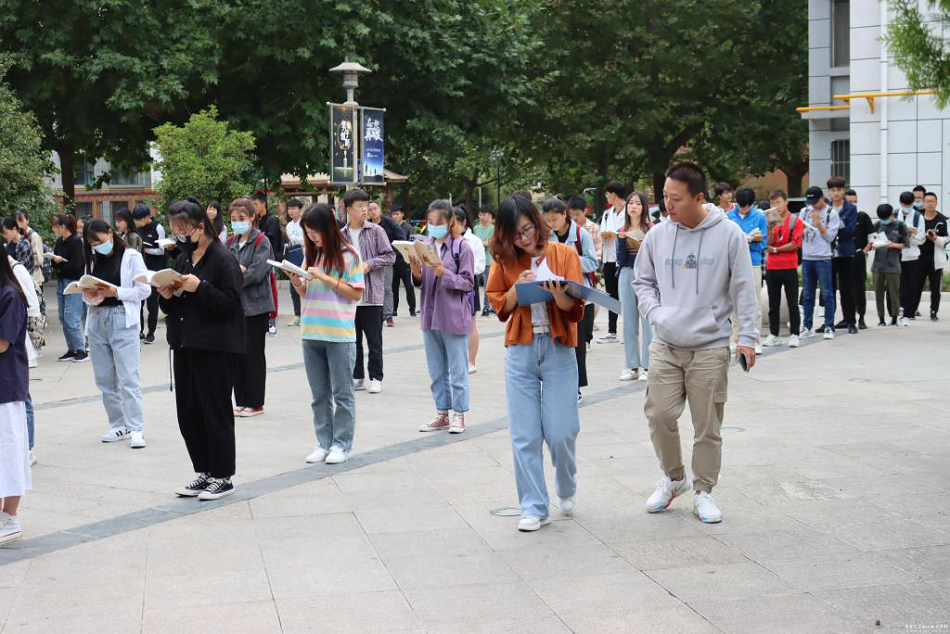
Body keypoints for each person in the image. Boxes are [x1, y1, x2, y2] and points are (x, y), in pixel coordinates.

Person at [633, 161, 757, 525]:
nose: (668, 205)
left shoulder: (729, 234)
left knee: (707, 426)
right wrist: (657, 315)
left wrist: (748, 337)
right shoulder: (658, 235)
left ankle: (703, 490)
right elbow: (642, 282)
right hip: (666, 343)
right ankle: (675, 478)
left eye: (676, 198)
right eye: (665, 197)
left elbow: (743, 288)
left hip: (710, 346)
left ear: (699, 197)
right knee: (659, 415)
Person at [486, 195, 585, 532]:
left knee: (561, 430)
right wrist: (518, 287)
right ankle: (533, 505)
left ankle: (566, 483)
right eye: (516, 234)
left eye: (528, 229)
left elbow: (575, 309)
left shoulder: (564, 253)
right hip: (521, 349)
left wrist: (557, 292)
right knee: (524, 434)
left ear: (537, 222)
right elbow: (500, 306)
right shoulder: (504, 259)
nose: (524, 239)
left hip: (558, 348)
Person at [158, 199, 244, 501]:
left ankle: (223, 475)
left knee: (214, 412)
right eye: (175, 231)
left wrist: (201, 288)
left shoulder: (222, 259)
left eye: (184, 231)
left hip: (214, 348)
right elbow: (172, 306)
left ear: (200, 227)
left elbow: (232, 304)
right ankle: (204, 470)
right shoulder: (184, 259)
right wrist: (167, 295)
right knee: (189, 413)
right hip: (184, 345)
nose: (179, 237)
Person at [291, 204, 364, 465]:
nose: (312, 237)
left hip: (339, 334)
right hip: (311, 332)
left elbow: (356, 293)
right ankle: (323, 443)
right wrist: (295, 280)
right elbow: (305, 292)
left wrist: (326, 278)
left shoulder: (349, 255)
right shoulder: (311, 254)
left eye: (315, 232)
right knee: (319, 395)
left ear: (328, 228)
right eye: (308, 233)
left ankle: (342, 445)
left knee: (342, 394)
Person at [81, 219, 151, 449]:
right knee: (104, 378)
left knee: (128, 376)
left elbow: (144, 290)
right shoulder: (92, 259)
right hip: (97, 319)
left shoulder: (131, 257)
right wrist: (90, 295)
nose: (96, 246)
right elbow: (86, 292)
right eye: (92, 243)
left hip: (122, 318)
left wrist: (116, 292)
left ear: (110, 232)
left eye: (98, 241)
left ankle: (136, 427)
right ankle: (119, 424)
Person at [413, 201, 475, 434]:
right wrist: (416, 272)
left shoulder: (462, 247)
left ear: (450, 221)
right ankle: (442, 413)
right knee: (436, 371)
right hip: (430, 316)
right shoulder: (425, 246)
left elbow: (468, 283)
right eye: (430, 222)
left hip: (453, 317)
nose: (434, 226)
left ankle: (459, 413)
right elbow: (421, 282)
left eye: (439, 222)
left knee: (458, 371)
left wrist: (444, 273)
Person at [542, 197, 597, 401]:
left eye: (555, 219)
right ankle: (558, 384)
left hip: (578, 294)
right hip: (554, 293)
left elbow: (592, 263)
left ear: (564, 215)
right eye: (548, 220)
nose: (552, 224)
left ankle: (576, 388)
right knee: (558, 341)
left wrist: (569, 259)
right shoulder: (547, 236)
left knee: (578, 344)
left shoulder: (582, 235)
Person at [340, 189, 395, 393]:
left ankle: (376, 377)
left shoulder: (376, 231)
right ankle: (357, 377)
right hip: (349, 296)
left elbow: (390, 256)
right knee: (352, 341)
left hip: (372, 295)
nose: (364, 210)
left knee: (374, 340)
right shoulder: (341, 235)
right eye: (359, 206)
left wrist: (369, 264)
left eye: (366, 205)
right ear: (348, 209)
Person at [226, 198, 275, 418]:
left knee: (253, 356)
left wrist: (235, 276)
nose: (237, 222)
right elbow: (225, 269)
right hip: (235, 307)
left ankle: (255, 403)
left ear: (252, 217)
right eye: (234, 219)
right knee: (237, 355)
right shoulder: (230, 242)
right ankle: (241, 401)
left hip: (256, 307)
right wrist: (237, 272)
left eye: (242, 218)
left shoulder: (261, 241)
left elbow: (256, 272)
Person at [0, 254, 29, 547]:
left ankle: (11, 517)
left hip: (5, 387)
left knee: (8, 451)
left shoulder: (10, 295)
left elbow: (3, 343)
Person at [616, 191, 654, 381]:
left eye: (638, 203)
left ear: (644, 207)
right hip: (626, 273)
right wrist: (623, 241)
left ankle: (648, 366)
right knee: (629, 322)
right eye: (631, 203)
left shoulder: (652, 229)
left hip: (647, 275)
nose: (634, 207)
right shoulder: (622, 229)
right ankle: (632, 366)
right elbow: (621, 259)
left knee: (648, 322)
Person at [726, 188, 767, 353]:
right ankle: (735, 338)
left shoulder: (759, 216)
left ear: (752, 204)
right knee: (733, 302)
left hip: (752, 262)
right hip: (733, 263)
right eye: (741, 206)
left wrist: (750, 240)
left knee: (754, 301)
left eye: (747, 206)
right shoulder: (728, 216)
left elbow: (763, 242)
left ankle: (755, 340)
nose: (743, 209)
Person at [798, 186, 840, 339]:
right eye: (810, 202)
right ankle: (807, 326)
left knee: (827, 293)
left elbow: (830, 237)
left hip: (823, 258)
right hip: (807, 258)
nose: (812, 205)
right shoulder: (804, 211)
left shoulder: (831, 213)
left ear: (822, 199)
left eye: (815, 202)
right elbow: (799, 232)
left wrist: (818, 223)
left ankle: (829, 326)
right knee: (808, 294)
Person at [763, 191, 803, 348]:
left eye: (778, 202)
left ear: (786, 202)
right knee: (773, 304)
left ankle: (794, 334)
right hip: (772, 266)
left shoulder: (795, 221)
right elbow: (767, 244)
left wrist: (776, 250)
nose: (776, 206)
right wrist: (771, 231)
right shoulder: (770, 221)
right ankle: (773, 334)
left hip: (789, 266)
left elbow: (795, 244)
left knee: (793, 302)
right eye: (772, 204)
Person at [823, 177, 859, 334]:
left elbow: (851, 230)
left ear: (844, 190)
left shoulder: (850, 208)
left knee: (847, 289)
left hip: (846, 253)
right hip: (828, 253)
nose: (836, 193)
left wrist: (832, 231)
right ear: (829, 192)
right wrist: (834, 229)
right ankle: (828, 322)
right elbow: (821, 229)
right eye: (833, 190)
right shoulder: (825, 208)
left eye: (839, 190)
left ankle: (850, 321)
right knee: (828, 290)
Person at [49, 213, 87, 362]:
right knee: (63, 317)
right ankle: (72, 349)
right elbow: (54, 262)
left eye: (55, 226)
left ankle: (81, 350)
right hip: (61, 282)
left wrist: (61, 264)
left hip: (73, 283)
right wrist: (56, 261)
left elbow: (77, 265)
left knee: (72, 318)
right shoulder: (60, 241)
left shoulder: (76, 242)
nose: (53, 229)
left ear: (63, 227)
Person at [865, 204, 908, 326]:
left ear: (891, 214)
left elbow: (906, 244)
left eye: (886, 218)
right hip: (878, 265)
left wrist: (892, 244)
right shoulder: (877, 225)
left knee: (894, 293)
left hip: (893, 265)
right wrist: (871, 246)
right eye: (882, 218)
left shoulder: (900, 225)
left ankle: (894, 317)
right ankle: (881, 319)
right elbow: (870, 242)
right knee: (878, 294)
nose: (884, 220)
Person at [455, 208, 485, 373]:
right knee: (452, 324)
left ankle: (471, 361)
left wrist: (462, 269)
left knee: (471, 324)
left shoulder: (474, 241)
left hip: (468, 285)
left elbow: (480, 266)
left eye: (455, 223)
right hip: (451, 285)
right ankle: (456, 361)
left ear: (464, 222)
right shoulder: (446, 240)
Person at [134, 203, 167, 344]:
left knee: (152, 303)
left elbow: (162, 250)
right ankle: (140, 331)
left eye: (140, 220)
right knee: (139, 302)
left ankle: (151, 332)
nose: (138, 223)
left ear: (148, 217)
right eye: (136, 220)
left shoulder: (158, 228)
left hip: (154, 270)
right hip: (141, 269)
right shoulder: (137, 229)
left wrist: (145, 249)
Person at [597, 181, 626, 342]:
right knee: (611, 296)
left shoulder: (629, 211)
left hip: (624, 260)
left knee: (626, 295)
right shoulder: (607, 214)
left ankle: (629, 330)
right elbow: (602, 233)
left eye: (607, 194)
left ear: (613, 194)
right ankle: (612, 331)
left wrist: (614, 234)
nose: (606, 197)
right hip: (609, 259)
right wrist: (605, 235)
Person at [251, 192, 282, 336]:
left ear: (263, 203)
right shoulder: (255, 219)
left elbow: (271, 240)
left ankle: (272, 322)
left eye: (256, 204)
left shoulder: (272, 220)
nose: (254, 207)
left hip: (270, 261)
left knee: (270, 290)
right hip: (256, 260)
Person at [368, 200, 403, 327]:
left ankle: (388, 315)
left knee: (387, 288)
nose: (372, 211)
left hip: (386, 260)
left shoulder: (389, 222)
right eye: (370, 209)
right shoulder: (366, 224)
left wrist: (393, 254)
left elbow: (401, 237)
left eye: (375, 208)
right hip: (371, 261)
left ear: (380, 209)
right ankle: (377, 314)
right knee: (372, 287)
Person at [894, 191, 926, 326]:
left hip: (912, 256)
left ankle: (908, 313)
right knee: (897, 285)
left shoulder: (918, 217)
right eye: (904, 204)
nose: (906, 207)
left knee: (911, 285)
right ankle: (896, 312)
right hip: (896, 255)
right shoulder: (894, 214)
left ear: (912, 204)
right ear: (900, 203)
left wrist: (911, 234)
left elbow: (921, 239)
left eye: (909, 205)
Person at [918, 192, 948, 320]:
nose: (929, 204)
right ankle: (912, 309)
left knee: (935, 287)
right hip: (919, 257)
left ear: (936, 203)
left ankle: (934, 311)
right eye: (927, 201)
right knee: (916, 285)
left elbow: (946, 239)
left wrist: (935, 238)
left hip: (935, 258)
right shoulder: (918, 217)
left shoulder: (942, 220)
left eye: (932, 201)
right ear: (923, 203)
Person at [848, 190, 875, 329]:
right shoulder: (839, 216)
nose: (853, 204)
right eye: (850, 202)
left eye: (855, 202)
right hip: (844, 257)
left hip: (859, 256)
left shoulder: (862, 217)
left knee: (860, 288)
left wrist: (864, 251)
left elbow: (873, 237)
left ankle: (862, 318)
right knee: (847, 290)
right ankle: (848, 319)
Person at [390, 205, 416, 318]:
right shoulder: (391, 227)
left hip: (405, 262)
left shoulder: (408, 228)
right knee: (393, 287)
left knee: (409, 286)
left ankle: (412, 310)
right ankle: (394, 310)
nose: (395, 216)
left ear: (402, 215)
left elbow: (413, 243)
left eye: (397, 214)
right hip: (393, 261)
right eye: (393, 214)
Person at [283, 198, 305, 326]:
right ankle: (297, 315)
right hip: (293, 259)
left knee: (305, 287)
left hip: (305, 258)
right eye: (289, 209)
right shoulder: (289, 225)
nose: (291, 211)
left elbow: (308, 240)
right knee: (293, 288)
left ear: (300, 210)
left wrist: (295, 239)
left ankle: (306, 316)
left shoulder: (305, 223)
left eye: (294, 208)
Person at [14, 211, 46, 289]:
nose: (19, 224)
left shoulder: (34, 236)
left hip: (35, 278)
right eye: (16, 222)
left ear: (27, 220)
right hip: (23, 278)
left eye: (21, 221)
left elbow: (40, 259)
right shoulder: (18, 236)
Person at [474, 206, 495, 317]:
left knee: (487, 287)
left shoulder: (493, 229)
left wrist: (479, 243)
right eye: (480, 215)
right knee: (472, 285)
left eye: (484, 215)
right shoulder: (476, 228)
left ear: (489, 215)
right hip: (476, 260)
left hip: (488, 261)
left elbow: (490, 243)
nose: (482, 217)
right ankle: (472, 305)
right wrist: (483, 243)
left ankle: (486, 308)